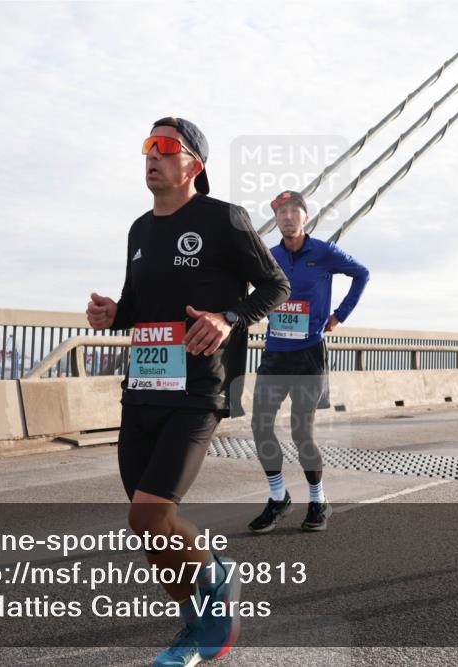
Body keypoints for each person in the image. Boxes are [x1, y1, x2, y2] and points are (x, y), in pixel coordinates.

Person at [86, 116, 290, 666]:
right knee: (152, 527)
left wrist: (228, 318)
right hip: (144, 387)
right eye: (147, 147)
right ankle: (204, 602)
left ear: (193, 164)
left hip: (199, 388)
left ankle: (211, 631)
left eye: (165, 147)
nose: (152, 156)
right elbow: (139, 305)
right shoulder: (139, 229)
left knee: (147, 517)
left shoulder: (224, 218)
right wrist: (114, 315)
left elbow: (276, 285)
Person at [248, 190, 370, 534]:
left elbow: (362, 274)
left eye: (293, 211)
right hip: (274, 353)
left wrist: (339, 316)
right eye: (280, 212)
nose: (286, 217)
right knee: (260, 426)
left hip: (309, 354)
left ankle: (318, 499)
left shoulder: (325, 252)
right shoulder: (268, 256)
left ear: (305, 217)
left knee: (303, 431)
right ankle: (278, 498)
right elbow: (253, 290)